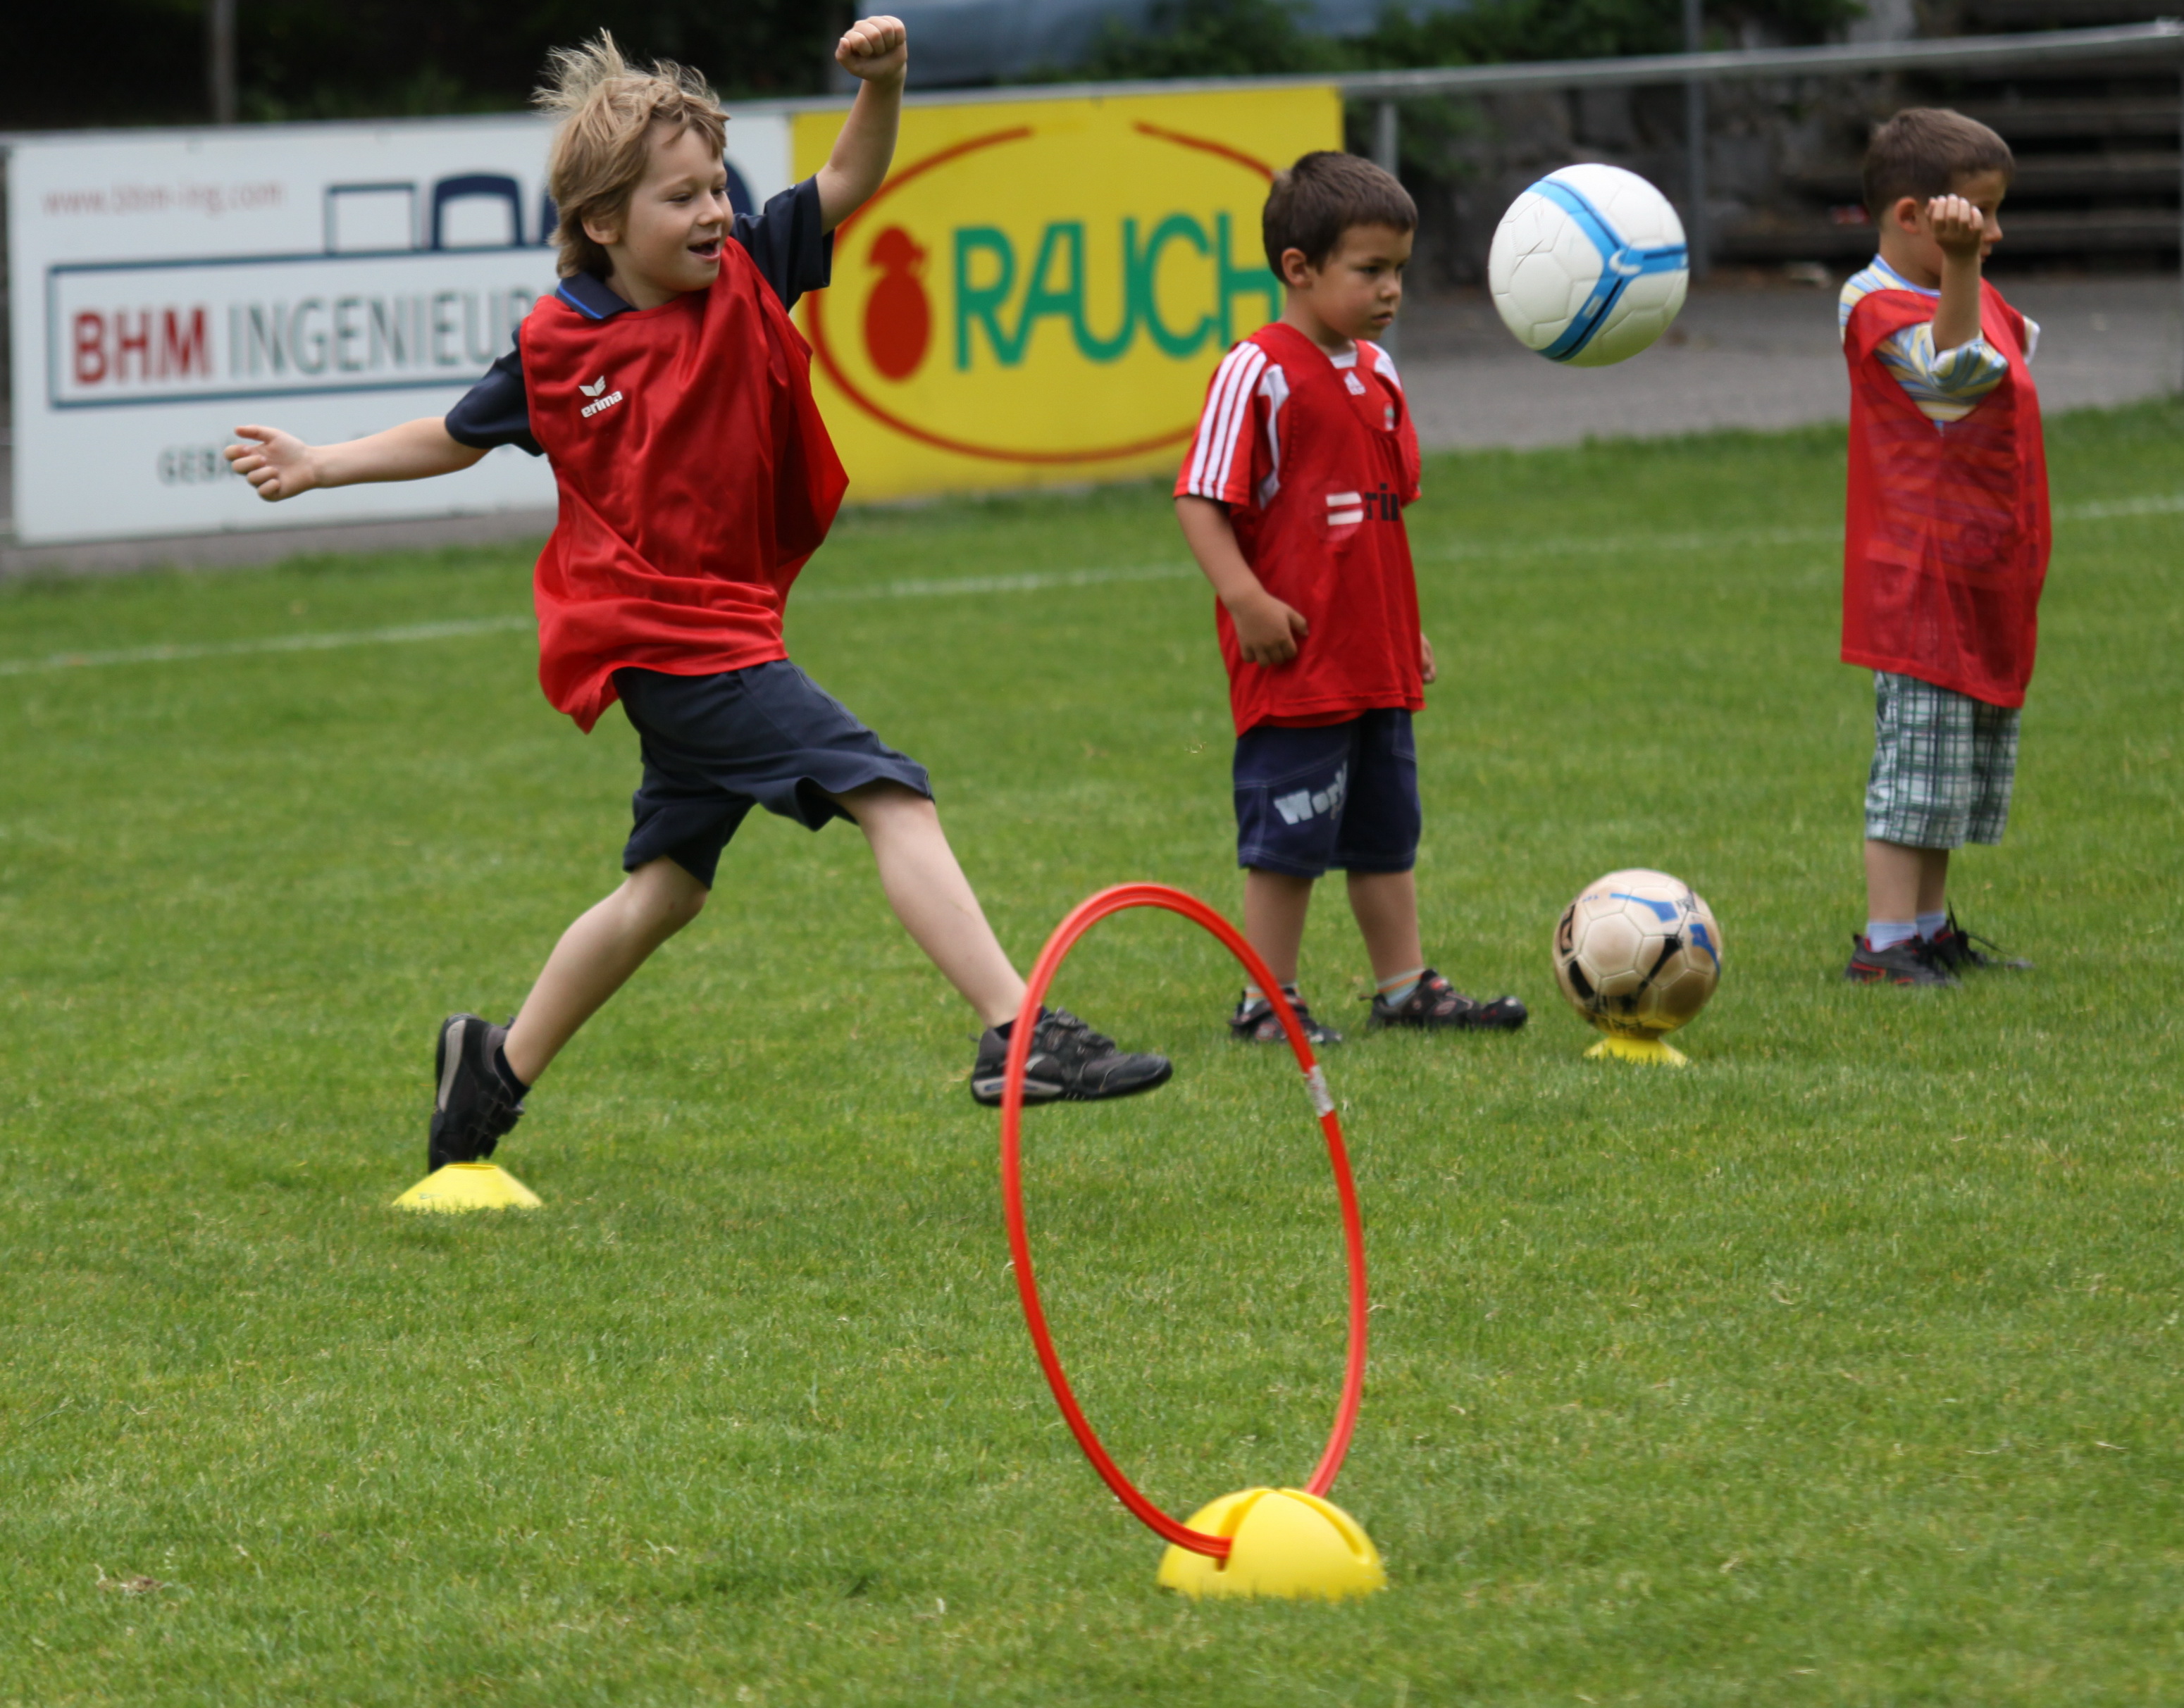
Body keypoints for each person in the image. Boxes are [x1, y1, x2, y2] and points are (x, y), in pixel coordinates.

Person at [225, 19, 1171, 1171]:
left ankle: (492, 1070)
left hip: (719, 635)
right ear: (603, 223)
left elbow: (850, 177)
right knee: (890, 794)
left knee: (666, 891)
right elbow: (458, 434)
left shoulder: (753, 270)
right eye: (681, 198)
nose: (715, 213)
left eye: (719, 187)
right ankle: (1019, 1033)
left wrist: (885, 85)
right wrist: (320, 464)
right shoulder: (561, 347)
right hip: (674, 647)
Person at [1172, 151, 1527, 1046]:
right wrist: (1245, 598)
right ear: (1299, 267)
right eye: (1371, 270)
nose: (1391, 289)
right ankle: (1267, 1001)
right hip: (1297, 663)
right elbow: (1199, 497)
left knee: (1385, 833)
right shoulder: (1256, 370)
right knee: (1287, 839)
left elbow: (1378, 519)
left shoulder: (1379, 372)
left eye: (1399, 269)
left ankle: (1404, 988)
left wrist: (1407, 631)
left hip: (1375, 659)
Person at [1837, 108, 2045, 987]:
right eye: (1979, 213)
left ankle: (1927, 929)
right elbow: (1954, 385)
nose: (1992, 233)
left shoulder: (1960, 285)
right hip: (1918, 577)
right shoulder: (1873, 304)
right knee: (1915, 772)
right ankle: (1886, 946)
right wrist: (1961, 268)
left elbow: (2016, 347)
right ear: (1912, 216)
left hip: (1980, 568)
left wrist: (1962, 272)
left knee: (1953, 768)